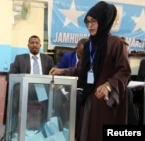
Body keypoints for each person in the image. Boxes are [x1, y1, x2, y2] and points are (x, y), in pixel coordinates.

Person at [49, 1, 131, 141]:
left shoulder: (116, 43)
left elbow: (124, 71)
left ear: (104, 21)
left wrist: (108, 86)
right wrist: (63, 71)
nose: (90, 26)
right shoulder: (89, 45)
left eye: (94, 21)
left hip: (106, 101)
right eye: (87, 22)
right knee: (88, 133)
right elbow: (82, 70)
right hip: (90, 98)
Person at [1, 35, 54, 140]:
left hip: (42, 90)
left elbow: (54, 74)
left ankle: (44, 129)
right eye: (32, 43)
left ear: (40, 45)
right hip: (25, 90)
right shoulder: (20, 58)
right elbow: (10, 74)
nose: (34, 45)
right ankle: (13, 130)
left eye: (36, 43)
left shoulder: (48, 59)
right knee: (16, 92)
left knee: (50, 96)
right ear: (28, 45)